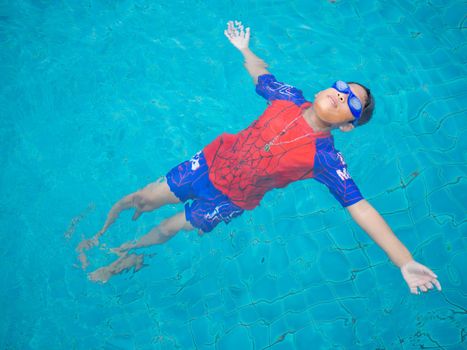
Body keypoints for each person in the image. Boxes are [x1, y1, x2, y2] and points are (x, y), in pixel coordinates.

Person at [78, 21, 442, 295]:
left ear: (348, 126)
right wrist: (244, 49)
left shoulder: (326, 159)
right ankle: (98, 234)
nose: (341, 94)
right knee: (142, 197)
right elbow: (261, 73)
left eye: (352, 102)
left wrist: (404, 261)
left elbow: (361, 207)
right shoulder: (286, 97)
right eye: (342, 87)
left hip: (231, 199)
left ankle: (125, 255)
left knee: (170, 227)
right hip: (208, 163)